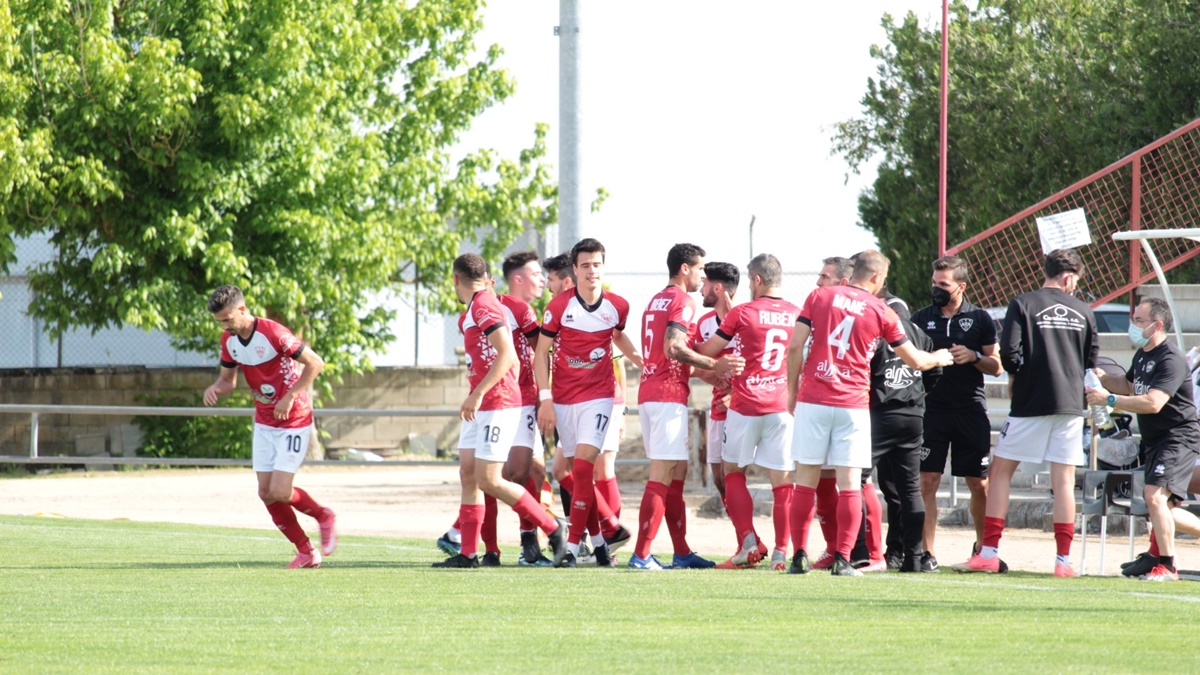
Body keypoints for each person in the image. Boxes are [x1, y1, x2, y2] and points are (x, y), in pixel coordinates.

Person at [786, 250, 952, 576]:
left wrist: (792, 391)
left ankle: (798, 557)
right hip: (852, 404)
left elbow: (795, 346)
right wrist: (941, 358)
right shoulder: (881, 309)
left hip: (814, 398)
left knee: (805, 481)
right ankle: (844, 560)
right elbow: (916, 360)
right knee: (850, 484)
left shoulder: (819, 296)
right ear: (877, 278)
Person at [953, 248, 1097, 577]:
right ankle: (1063, 562)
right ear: (1070, 277)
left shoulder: (1024, 303)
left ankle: (988, 552)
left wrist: (1022, 374)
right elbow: (1092, 360)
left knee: (1001, 472)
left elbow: (1011, 355)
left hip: (1031, 401)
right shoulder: (1084, 310)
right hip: (1072, 404)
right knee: (1063, 481)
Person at [433, 254, 566, 568]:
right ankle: (469, 553)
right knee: (469, 475)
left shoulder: (484, 305)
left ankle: (553, 527)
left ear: (455, 280)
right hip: (481, 405)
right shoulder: (473, 309)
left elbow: (509, 356)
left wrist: (478, 394)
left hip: (498, 403)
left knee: (491, 479)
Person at [203, 285, 337, 569]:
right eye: (220, 322)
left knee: (280, 490)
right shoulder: (228, 340)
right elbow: (228, 380)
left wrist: (291, 395)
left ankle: (323, 515)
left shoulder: (273, 333)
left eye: (228, 319)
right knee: (265, 493)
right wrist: (216, 387)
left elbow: (315, 363)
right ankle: (306, 551)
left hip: (294, 420)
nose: (225, 326)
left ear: (242, 309)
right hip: (264, 421)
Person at [630, 244, 744, 571]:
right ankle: (641, 556)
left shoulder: (656, 300)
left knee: (675, 477)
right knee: (662, 475)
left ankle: (681, 553)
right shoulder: (684, 301)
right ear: (685, 269)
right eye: (700, 269)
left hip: (654, 392)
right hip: (666, 397)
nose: (703, 276)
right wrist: (717, 364)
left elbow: (674, 356)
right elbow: (674, 348)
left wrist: (711, 375)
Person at [535, 238, 643, 567]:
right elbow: (541, 353)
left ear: (602, 267)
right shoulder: (558, 307)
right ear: (576, 270)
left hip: (599, 397)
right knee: (576, 476)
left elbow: (618, 335)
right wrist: (546, 399)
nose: (592, 271)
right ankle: (598, 543)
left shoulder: (618, 306)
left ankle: (570, 549)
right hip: (565, 399)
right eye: (585, 265)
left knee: (583, 468)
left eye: (597, 264)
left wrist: (639, 358)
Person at [1086, 298, 1200, 581]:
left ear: (1157, 325)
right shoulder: (1143, 354)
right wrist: (1099, 376)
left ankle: (1167, 566)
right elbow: (1127, 385)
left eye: (1138, 320)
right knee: (1164, 508)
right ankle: (1160, 562)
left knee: (1154, 496)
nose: (1132, 325)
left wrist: (1108, 399)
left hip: (1178, 438)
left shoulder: (1170, 358)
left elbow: (1153, 403)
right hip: (1155, 439)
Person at [697, 254, 799, 570]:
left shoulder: (743, 312)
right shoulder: (798, 313)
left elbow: (707, 353)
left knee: (733, 473)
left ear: (755, 280)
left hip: (745, 404)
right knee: (782, 481)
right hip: (782, 406)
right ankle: (782, 553)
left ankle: (748, 542)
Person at [910, 255, 1003, 571]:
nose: (936, 288)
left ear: (961, 286)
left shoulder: (980, 319)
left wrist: (973, 355)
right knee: (927, 481)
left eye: (943, 284)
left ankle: (983, 549)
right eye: (934, 282)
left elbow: (996, 366)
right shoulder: (920, 318)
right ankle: (927, 553)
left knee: (979, 483)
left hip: (970, 410)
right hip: (931, 410)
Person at [866, 282, 942, 572]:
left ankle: (862, 552)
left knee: (856, 481)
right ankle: (912, 557)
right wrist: (920, 394)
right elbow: (935, 368)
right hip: (912, 415)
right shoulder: (916, 332)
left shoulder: (875, 329)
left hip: (879, 415)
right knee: (910, 488)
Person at [809, 256, 853, 570]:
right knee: (822, 481)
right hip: (816, 404)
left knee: (855, 482)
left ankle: (867, 553)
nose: (818, 282)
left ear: (843, 283)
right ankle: (831, 548)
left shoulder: (864, 311)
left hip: (851, 406)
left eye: (825, 276)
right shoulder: (814, 308)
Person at [693, 262, 741, 498]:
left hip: (747, 407)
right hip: (719, 405)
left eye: (705, 284)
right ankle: (739, 523)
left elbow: (765, 364)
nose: (701, 289)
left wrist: (738, 394)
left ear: (718, 288)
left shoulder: (746, 320)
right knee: (718, 475)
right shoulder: (703, 324)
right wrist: (711, 375)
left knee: (735, 472)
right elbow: (692, 363)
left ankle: (746, 529)